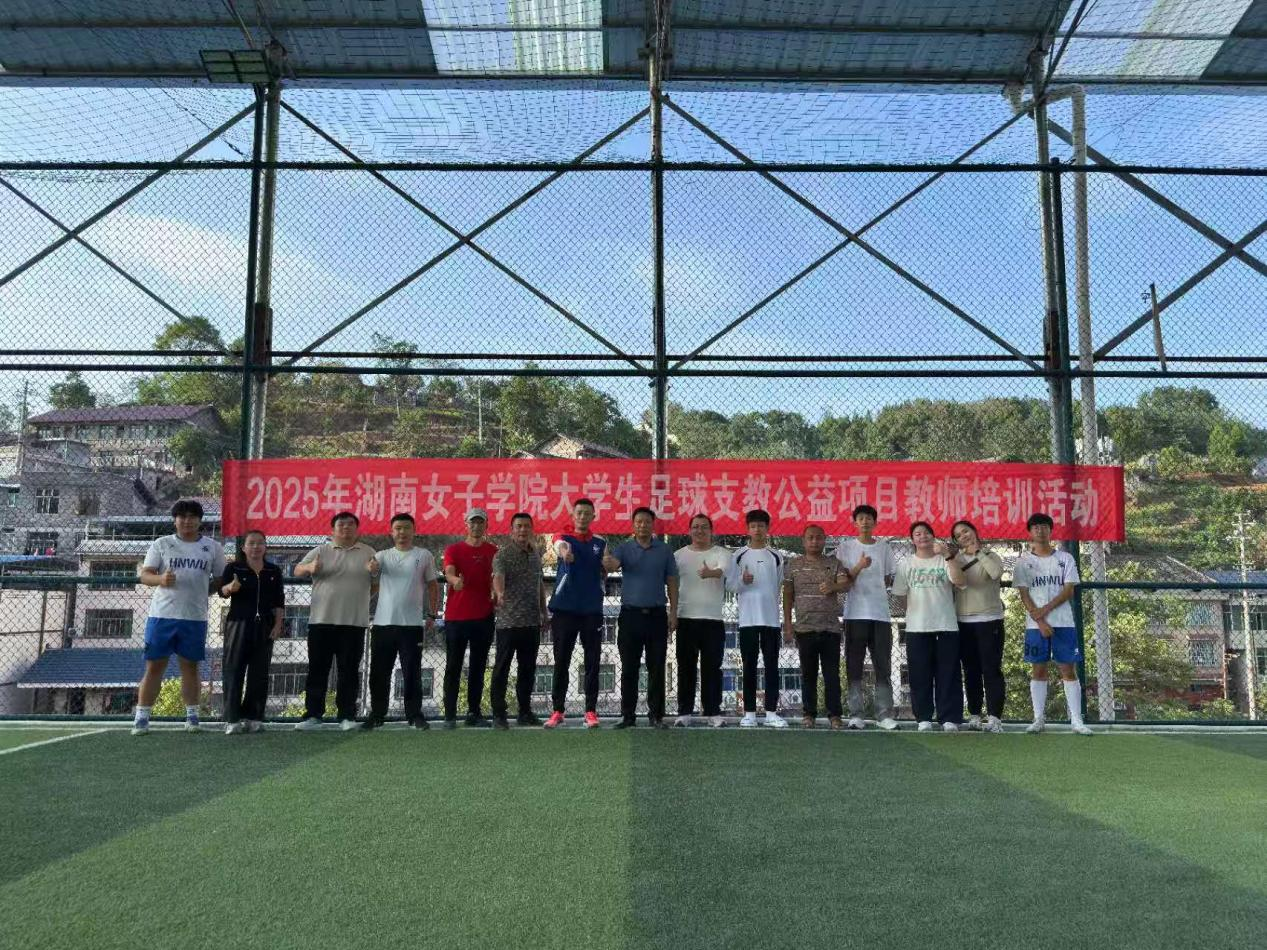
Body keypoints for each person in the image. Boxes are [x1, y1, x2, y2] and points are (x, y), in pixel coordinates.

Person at [131, 499, 226, 736]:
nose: (187, 521)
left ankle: (192, 717)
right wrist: (161, 579)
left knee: (191, 667)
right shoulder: (162, 544)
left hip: (195, 617)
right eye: (182, 516)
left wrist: (203, 590)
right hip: (162, 616)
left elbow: (220, 579)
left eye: (192, 517)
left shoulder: (213, 547)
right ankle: (142, 718)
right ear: (175, 520)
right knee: (154, 666)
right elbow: (145, 575)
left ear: (200, 521)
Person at [294, 511, 376, 731]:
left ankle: (347, 716)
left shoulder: (368, 552)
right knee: (317, 670)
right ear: (333, 529)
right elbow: (297, 569)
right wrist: (310, 568)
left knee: (349, 671)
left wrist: (367, 586)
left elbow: (377, 581)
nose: (346, 527)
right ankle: (313, 716)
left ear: (357, 529)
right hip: (321, 621)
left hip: (354, 623)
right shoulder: (321, 550)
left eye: (350, 524)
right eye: (341, 524)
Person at [1013, 512, 1093, 736]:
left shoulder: (1065, 558)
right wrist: (1040, 621)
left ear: (1051, 530)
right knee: (1038, 669)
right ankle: (1038, 718)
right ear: (1030, 532)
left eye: (1044, 526)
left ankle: (1076, 720)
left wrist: (1045, 611)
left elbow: (1068, 590)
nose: (1040, 530)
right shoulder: (1023, 562)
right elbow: (1024, 595)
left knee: (1068, 669)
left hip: (1063, 623)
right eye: (1035, 527)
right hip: (1035, 626)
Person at [603, 507, 679, 729]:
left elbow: (672, 581)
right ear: (633, 525)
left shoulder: (664, 550)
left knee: (657, 667)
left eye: (647, 521)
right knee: (629, 667)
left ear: (653, 524)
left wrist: (674, 612)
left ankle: (656, 716)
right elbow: (612, 565)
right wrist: (606, 559)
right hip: (630, 616)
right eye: (639, 522)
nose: (643, 525)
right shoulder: (625, 548)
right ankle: (628, 715)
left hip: (657, 616)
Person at [363, 513, 440, 731]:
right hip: (383, 624)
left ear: (414, 531)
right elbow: (372, 577)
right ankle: (377, 714)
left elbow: (433, 585)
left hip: (411, 626)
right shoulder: (382, 556)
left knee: (412, 672)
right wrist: (371, 570)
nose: (402, 532)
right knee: (379, 672)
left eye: (406, 528)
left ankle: (414, 715)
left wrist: (432, 614)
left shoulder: (423, 555)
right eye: (398, 528)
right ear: (391, 532)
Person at [892, 521, 967, 732]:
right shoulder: (907, 563)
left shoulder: (944, 559)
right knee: (919, 674)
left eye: (926, 533)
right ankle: (923, 717)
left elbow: (960, 582)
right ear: (912, 539)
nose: (922, 536)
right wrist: (915, 613)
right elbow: (900, 595)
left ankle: (949, 718)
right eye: (917, 534)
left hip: (946, 625)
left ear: (933, 536)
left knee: (948, 673)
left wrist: (948, 556)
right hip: (917, 627)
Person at [544, 498, 607, 730]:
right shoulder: (563, 537)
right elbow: (559, 547)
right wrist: (564, 553)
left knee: (592, 662)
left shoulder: (600, 542)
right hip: (565, 610)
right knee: (562, 660)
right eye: (579, 513)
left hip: (591, 610)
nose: (582, 517)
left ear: (593, 516)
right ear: (573, 515)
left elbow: (606, 563)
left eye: (587, 513)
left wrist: (608, 564)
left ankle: (590, 711)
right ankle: (558, 711)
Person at [835, 504, 899, 730]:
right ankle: (856, 714)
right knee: (854, 665)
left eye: (869, 518)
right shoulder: (845, 548)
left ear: (875, 522)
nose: (865, 521)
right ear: (855, 522)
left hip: (880, 614)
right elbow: (842, 581)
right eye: (861, 518)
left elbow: (889, 578)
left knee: (883, 665)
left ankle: (884, 715)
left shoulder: (884, 547)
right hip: (855, 614)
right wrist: (860, 566)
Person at [783, 524, 850, 729]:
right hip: (804, 629)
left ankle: (835, 715)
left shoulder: (834, 563)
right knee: (808, 674)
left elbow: (846, 584)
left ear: (824, 540)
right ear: (803, 541)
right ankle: (808, 714)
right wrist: (788, 623)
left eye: (819, 538)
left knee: (832, 675)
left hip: (830, 629)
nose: (814, 541)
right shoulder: (793, 564)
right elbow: (787, 594)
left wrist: (834, 586)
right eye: (810, 538)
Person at [218, 529, 284, 735]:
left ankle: (254, 717)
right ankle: (232, 719)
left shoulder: (273, 570)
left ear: (265, 547)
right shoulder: (234, 568)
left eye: (260, 543)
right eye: (251, 543)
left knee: (259, 673)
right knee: (233, 670)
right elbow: (221, 592)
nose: (256, 547)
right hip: (238, 624)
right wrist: (230, 588)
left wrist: (277, 625)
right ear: (243, 547)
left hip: (265, 626)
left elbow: (279, 601)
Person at [726, 509, 787, 728]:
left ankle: (771, 712)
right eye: (753, 526)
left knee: (771, 666)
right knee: (749, 665)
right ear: (747, 529)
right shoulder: (739, 555)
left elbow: (778, 584)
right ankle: (749, 713)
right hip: (748, 620)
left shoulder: (776, 556)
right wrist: (742, 581)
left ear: (767, 528)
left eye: (761, 525)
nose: (757, 530)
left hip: (771, 619)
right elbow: (730, 585)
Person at [490, 512, 548, 730]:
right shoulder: (502, 555)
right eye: (519, 526)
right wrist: (500, 593)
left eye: (526, 526)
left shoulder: (536, 555)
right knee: (501, 669)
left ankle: (525, 712)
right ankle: (499, 714)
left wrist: (544, 612)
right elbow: (498, 577)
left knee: (527, 670)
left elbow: (539, 584)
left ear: (531, 529)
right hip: (508, 622)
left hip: (531, 621)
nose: (523, 530)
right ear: (511, 530)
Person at [672, 513, 731, 728]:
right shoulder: (678, 555)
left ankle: (713, 712)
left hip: (713, 620)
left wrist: (710, 573)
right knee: (686, 666)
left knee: (712, 668)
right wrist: (672, 614)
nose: (700, 531)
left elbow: (723, 570)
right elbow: (671, 584)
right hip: (685, 618)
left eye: (704, 527)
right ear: (689, 531)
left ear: (711, 531)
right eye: (696, 527)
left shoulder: (722, 553)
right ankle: (684, 712)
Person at [442, 507, 499, 728]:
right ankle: (449, 715)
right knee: (453, 667)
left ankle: (474, 713)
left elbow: (496, 577)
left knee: (478, 666)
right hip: (456, 617)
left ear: (486, 525)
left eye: (480, 522)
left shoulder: (493, 551)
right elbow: (449, 571)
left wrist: (495, 591)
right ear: (466, 525)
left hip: (483, 616)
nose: (476, 526)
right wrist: (454, 580)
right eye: (472, 522)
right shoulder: (454, 549)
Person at [949, 519, 1006, 734]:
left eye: (966, 531)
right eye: (958, 535)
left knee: (991, 669)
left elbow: (995, 573)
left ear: (974, 531)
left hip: (990, 620)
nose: (964, 536)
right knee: (970, 670)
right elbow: (955, 582)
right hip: (963, 622)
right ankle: (974, 714)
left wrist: (979, 553)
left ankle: (994, 717)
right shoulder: (954, 559)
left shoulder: (991, 555)